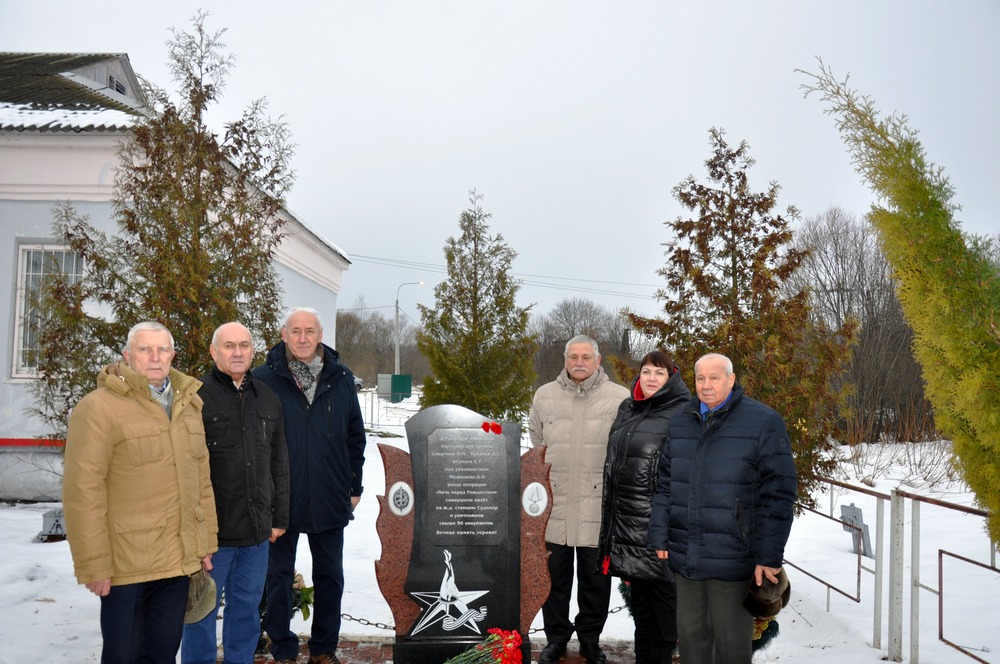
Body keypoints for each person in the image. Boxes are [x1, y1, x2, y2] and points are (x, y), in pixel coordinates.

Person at [63, 321, 218, 664]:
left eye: (163, 349)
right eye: (145, 349)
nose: (154, 357)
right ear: (127, 355)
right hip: (126, 567)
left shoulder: (188, 405)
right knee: (124, 656)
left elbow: (201, 483)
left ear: (173, 355)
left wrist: (203, 545)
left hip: (177, 564)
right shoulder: (99, 408)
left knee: (162, 654)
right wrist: (93, 565)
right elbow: (82, 492)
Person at [648, 352, 797, 664]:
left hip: (734, 555)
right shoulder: (680, 422)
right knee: (691, 640)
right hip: (686, 554)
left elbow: (779, 493)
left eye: (714, 377)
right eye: (700, 378)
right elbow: (665, 483)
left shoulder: (763, 422)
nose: (706, 385)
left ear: (731, 380)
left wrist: (768, 556)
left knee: (730, 645)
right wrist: (660, 533)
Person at [253, 307, 367, 664]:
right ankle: (283, 647)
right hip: (279, 498)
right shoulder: (263, 379)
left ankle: (322, 648)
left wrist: (354, 486)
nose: (303, 338)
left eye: (310, 331)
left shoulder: (341, 378)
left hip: (329, 494)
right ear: (284, 335)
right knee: (278, 577)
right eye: (296, 331)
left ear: (320, 336)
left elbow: (355, 437)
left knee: (330, 575)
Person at [181, 322, 290, 664]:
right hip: (213, 537)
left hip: (257, 534)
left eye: (244, 345)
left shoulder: (267, 398)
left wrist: (278, 519)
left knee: (245, 614)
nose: (238, 352)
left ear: (252, 350)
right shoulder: (195, 397)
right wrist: (194, 534)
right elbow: (183, 471)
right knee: (200, 613)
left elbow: (279, 462)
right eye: (229, 345)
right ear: (214, 352)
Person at [529, 335, 630, 664]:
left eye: (586, 356)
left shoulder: (619, 398)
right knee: (554, 580)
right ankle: (555, 639)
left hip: (596, 508)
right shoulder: (545, 396)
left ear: (598, 360)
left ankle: (590, 639)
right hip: (554, 507)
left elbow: (624, 451)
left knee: (594, 583)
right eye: (573, 356)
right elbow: (537, 444)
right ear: (565, 359)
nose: (579, 362)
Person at [597, 350, 690, 664]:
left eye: (659, 373)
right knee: (643, 618)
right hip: (629, 532)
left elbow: (683, 476)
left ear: (671, 376)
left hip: (660, 533)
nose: (651, 379)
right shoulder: (629, 408)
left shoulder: (682, 412)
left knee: (664, 622)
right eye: (647, 371)